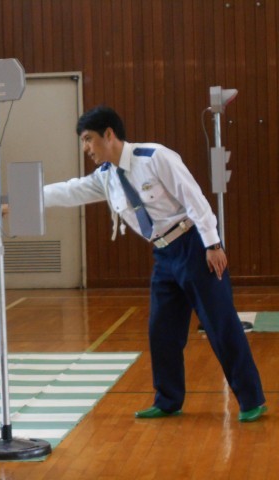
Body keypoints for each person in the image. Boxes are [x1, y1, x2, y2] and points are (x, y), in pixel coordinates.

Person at [42, 106, 266, 422]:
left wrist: (212, 244)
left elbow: (194, 198)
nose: (86, 148)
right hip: (163, 254)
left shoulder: (155, 157)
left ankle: (251, 400)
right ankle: (168, 400)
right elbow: (70, 190)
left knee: (220, 323)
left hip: (194, 245)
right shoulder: (107, 177)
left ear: (109, 134)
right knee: (162, 330)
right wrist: (25, 200)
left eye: (88, 139)